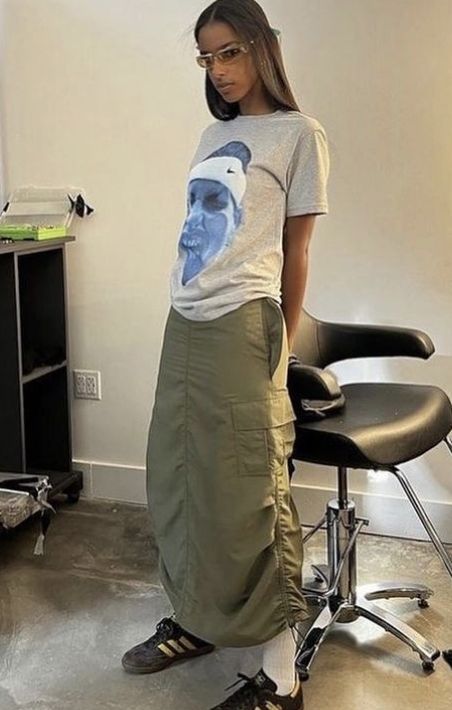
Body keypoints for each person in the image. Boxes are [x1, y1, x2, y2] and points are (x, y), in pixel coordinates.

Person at [122, 1, 330, 708]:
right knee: (182, 480)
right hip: (185, 321)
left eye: (230, 52)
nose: (218, 69)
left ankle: (281, 674)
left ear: (263, 47)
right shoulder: (215, 133)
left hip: (244, 321)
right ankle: (197, 621)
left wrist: (282, 346)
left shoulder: (299, 134)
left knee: (250, 490)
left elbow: (298, 251)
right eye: (207, 57)